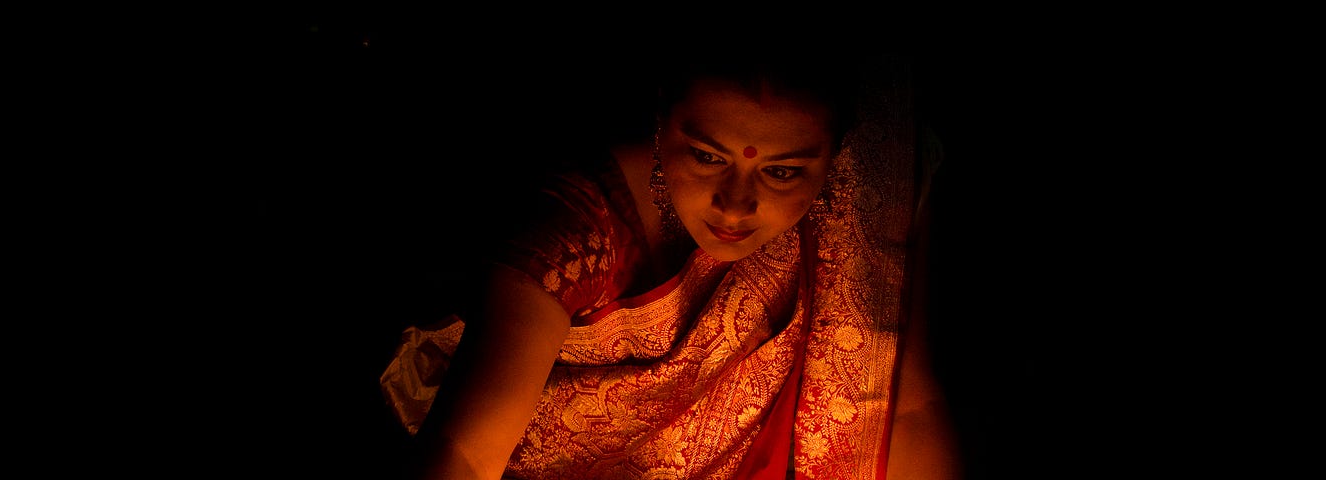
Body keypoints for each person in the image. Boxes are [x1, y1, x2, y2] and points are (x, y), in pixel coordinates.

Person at [377, 29, 958, 480]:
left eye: (782, 173)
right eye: (707, 157)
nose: (735, 206)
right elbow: (465, 456)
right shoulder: (572, 233)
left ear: (836, 159)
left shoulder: (866, 200)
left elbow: (907, 399)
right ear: (662, 121)